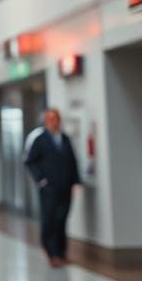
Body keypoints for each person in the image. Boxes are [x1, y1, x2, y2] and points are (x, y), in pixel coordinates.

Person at [24, 108, 82, 267]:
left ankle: (61, 252)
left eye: (56, 118)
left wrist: (76, 181)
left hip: (65, 186)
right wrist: (41, 180)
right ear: (46, 121)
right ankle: (50, 252)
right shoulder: (40, 139)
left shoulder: (65, 139)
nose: (54, 122)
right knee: (49, 219)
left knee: (62, 219)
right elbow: (30, 161)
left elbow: (72, 161)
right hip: (48, 188)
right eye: (51, 119)